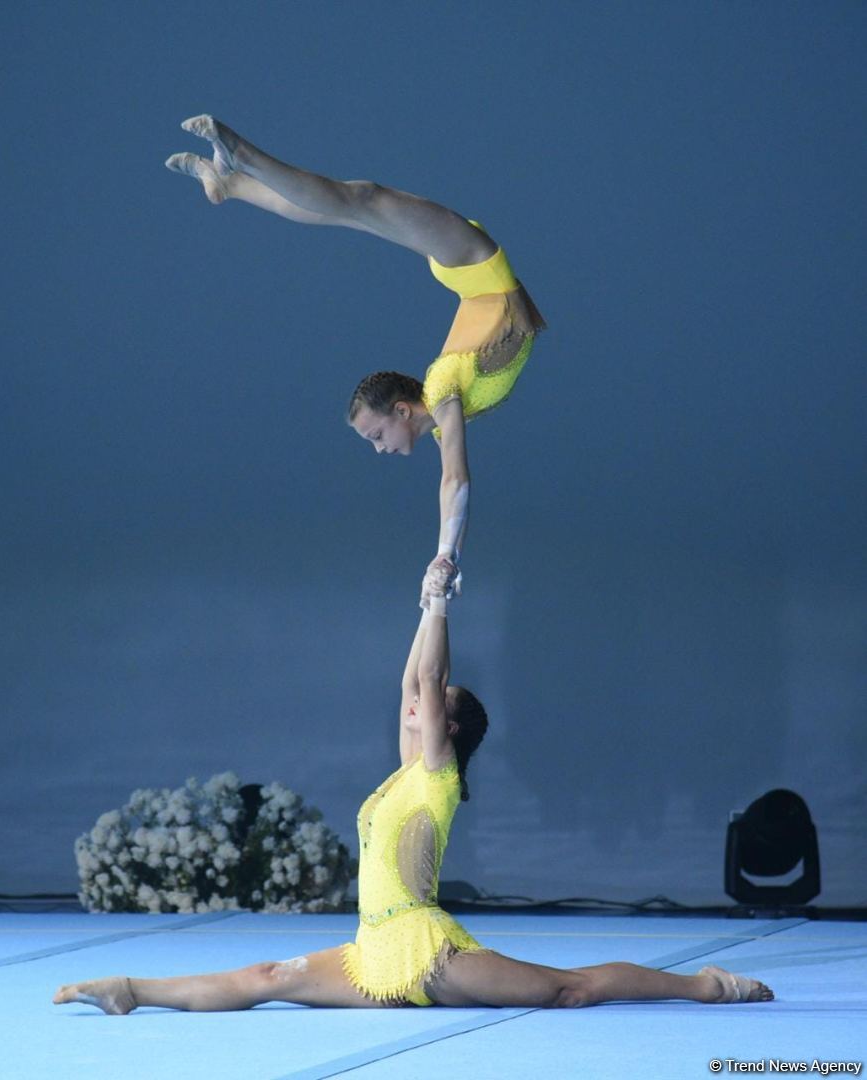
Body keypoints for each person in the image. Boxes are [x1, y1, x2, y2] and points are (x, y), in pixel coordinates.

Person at [53, 575, 773, 1014]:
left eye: (433, 710)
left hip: (428, 951)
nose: (415, 709)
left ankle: (704, 987)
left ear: (447, 729)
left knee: (567, 989)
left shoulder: (438, 779)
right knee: (266, 976)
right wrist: (424, 603)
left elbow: (427, 685)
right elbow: (411, 685)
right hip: (372, 955)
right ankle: (131, 988)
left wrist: (438, 603)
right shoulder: (405, 772)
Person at [165, 116, 547, 604]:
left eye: (374, 436)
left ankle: (239, 165)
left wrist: (445, 554)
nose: (379, 448)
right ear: (404, 411)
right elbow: (455, 479)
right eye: (376, 437)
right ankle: (233, 178)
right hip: (478, 268)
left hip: (474, 266)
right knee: (352, 206)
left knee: (359, 201)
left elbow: (454, 480)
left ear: (403, 409)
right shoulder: (445, 398)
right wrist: (446, 556)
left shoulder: (445, 388)